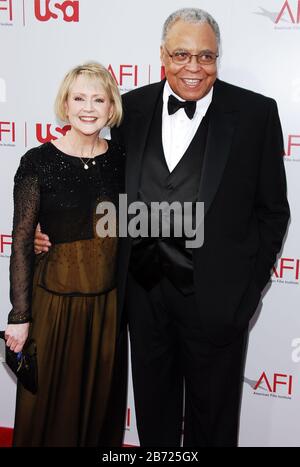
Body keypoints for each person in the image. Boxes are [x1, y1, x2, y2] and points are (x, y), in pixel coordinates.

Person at [35, 9, 290, 447]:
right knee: (155, 418)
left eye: (206, 56)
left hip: (217, 301)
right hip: (144, 295)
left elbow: (273, 211)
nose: (194, 67)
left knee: (214, 423)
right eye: (182, 54)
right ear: (162, 56)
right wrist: (56, 230)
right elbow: (100, 179)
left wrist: (248, 290)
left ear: (218, 57)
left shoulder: (255, 114)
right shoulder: (130, 108)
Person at [5, 62, 127, 447]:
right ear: (65, 104)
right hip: (53, 309)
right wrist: (19, 316)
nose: (88, 108)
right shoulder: (37, 162)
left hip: (107, 310)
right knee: (46, 413)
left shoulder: (123, 160)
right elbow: (23, 241)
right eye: (79, 98)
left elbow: (137, 223)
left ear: (111, 108)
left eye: (98, 99)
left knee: (96, 410)